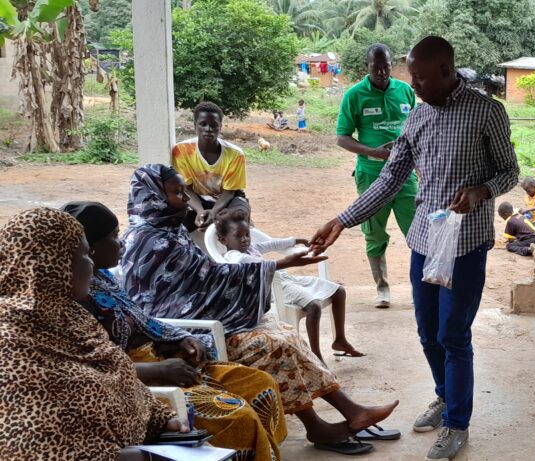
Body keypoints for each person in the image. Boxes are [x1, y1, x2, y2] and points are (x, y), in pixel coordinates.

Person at [311, 36, 519, 460]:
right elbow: (389, 179)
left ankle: (457, 424)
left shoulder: (486, 112)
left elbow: (509, 170)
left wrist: (482, 190)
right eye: (412, 77)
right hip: (425, 240)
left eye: (421, 77)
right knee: (427, 331)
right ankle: (444, 397)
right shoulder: (418, 116)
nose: (414, 86)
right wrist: (341, 220)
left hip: (465, 244)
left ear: (446, 70)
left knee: (453, 334)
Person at [118, 164, 400, 455]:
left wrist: (278, 264)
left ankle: (343, 415)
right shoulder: (146, 240)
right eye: (176, 193)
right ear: (151, 196)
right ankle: (327, 422)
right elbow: (195, 284)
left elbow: (204, 276)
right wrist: (280, 264)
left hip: (196, 317)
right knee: (271, 345)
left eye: (182, 191)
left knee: (285, 335)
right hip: (178, 332)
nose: (183, 199)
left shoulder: (170, 229)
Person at [62, 201, 288, 461]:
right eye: (113, 237)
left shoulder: (104, 278)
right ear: (89, 246)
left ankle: (266, 454)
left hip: (161, 360)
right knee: (237, 416)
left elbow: (141, 319)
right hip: (138, 383)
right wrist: (159, 369)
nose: (122, 243)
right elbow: (88, 371)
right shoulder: (71, 303)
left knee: (259, 383)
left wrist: (178, 339)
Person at [0, 207, 186, 461]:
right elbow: (34, 446)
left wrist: (162, 420)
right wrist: (135, 457)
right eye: (85, 254)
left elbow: (120, 378)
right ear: (54, 263)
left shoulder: (72, 317)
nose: (91, 262)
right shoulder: (10, 342)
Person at [214, 208, 362, 361]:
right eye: (239, 236)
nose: (245, 239)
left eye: (247, 235)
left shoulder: (251, 248)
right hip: (274, 287)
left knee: (339, 291)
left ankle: (340, 339)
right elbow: (261, 264)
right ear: (223, 240)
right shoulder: (234, 257)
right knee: (314, 306)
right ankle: (316, 354)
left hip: (285, 279)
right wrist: (290, 260)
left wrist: (296, 240)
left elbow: (271, 244)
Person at [336, 43, 419, 309]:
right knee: (374, 234)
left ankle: (422, 288)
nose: (382, 73)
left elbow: (416, 130)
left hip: (406, 176)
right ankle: (382, 288)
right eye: (376, 68)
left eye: (385, 67)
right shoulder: (354, 95)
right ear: (367, 67)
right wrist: (373, 151)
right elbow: (342, 137)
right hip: (371, 175)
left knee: (418, 232)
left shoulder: (405, 91)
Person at [172, 101, 251, 232]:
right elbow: (186, 188)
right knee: (174, 224)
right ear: (195, 126)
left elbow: (230, 191)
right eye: (203, 124)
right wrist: (200, 211)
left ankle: (238, 251)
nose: (208, 129)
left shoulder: (235, 154)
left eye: (214, 125)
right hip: (196, 199)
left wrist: (214, 212)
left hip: (227, 200)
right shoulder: (182, 151)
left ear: (220, 126)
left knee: (238, 220)